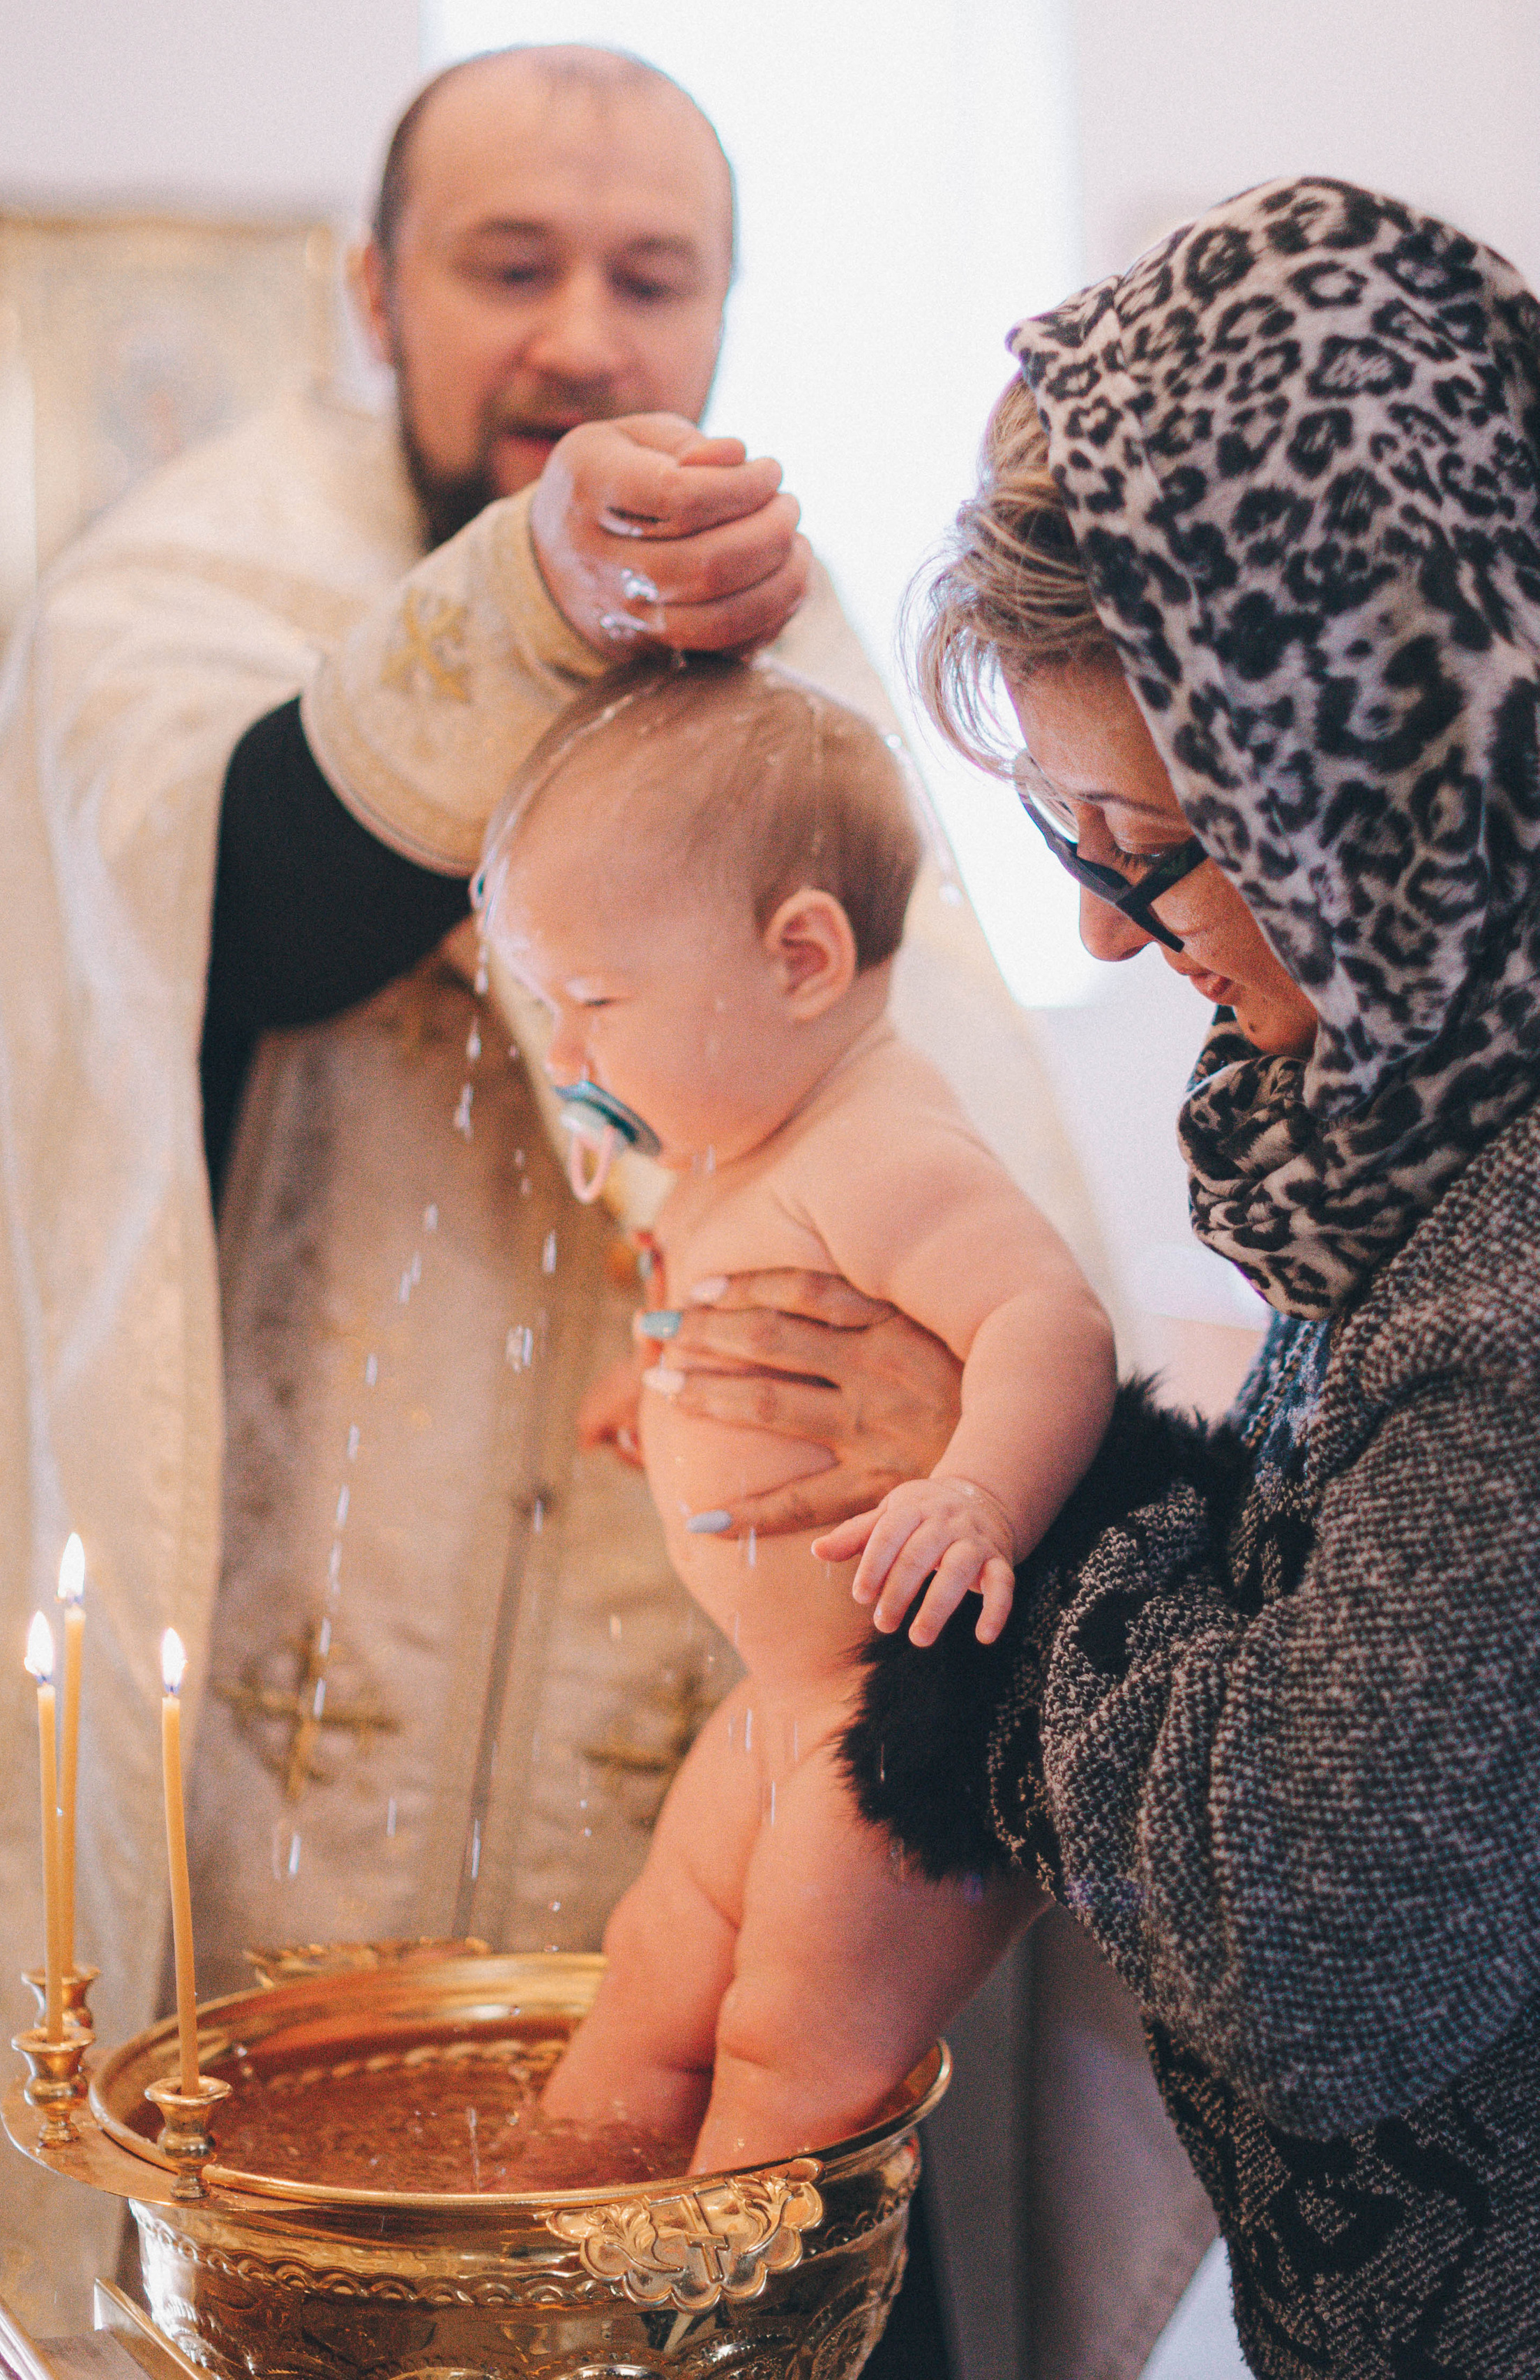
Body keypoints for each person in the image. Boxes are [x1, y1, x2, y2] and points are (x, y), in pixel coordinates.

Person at [0, 43, 1163, 2380]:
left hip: (718, 1780)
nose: (584, 335)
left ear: (723, 317)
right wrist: (521, 600)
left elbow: (984, 1221)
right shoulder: (179, 591)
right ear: (369, 295)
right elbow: (224, 918)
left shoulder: (795, 673)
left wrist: (941, 1394)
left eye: (652, 276)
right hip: (277, 1828)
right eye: (510, 266)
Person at [825, 174, 1540, 2377]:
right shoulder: (1409, 1092)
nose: (1110, 938)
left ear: (1380, 761)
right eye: (1072, 845)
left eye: (1152, 848)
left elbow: (1313, 1936)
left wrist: (1018, 1530)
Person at [476, 654, 1112, 2171]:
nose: (565, 1060)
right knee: (647, 1974)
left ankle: (725, 2306)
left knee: (786, 2045)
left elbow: (1049, 1323)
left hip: (895, 1713)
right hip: (779, 1695)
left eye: (594, 1003)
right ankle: (564, 2261)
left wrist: (972, 1492)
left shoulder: (882, 1143)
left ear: (802, 957)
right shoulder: (736, 1145)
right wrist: (668, 1381)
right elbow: (753, 1320)